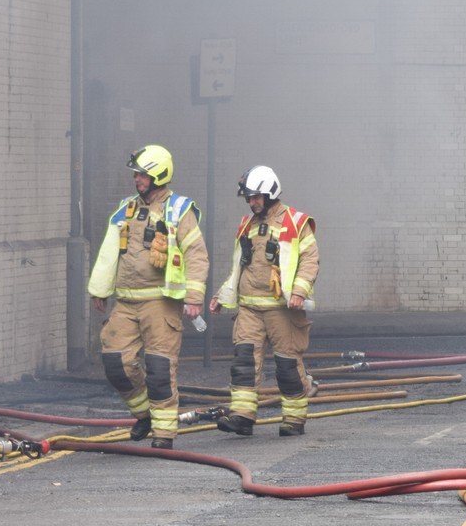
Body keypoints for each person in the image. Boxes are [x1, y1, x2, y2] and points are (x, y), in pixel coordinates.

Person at [88, 145, 209, 449]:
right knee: (116, 362)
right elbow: (108, 251)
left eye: (142, 174)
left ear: (158, 174)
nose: (136, 180)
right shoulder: (126, 208)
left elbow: (196, 255)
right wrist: (100, 289)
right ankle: (144, 415)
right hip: (126, 303)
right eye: (136, 174)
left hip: (160, 302)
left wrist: (194, 297)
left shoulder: (179, 209)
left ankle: (164, 434)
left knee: (158, 370)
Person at [209, 165, 321, 437]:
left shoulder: (295, 222)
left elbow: (309, 260)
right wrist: (222, 296)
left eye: (256, 197)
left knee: (286, 365)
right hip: (249, 307)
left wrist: (298, 291)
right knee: (244, 362)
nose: (252, 202)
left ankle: (294, 419)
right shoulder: (247, 224)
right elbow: (239, 267)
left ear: (271, 193)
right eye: (249, 198)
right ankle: (242, 417)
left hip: (280, 309)